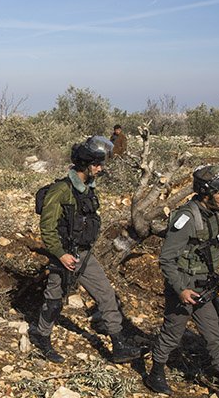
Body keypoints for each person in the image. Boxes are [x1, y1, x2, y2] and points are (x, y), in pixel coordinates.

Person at [145, 165, 219, 398]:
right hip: (184, 285)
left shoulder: (211, 214)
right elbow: (166, 259)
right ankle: (155, 373)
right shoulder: (187, 218)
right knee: (172, 333)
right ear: (207, 192)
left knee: (214, 336)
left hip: (204, 286)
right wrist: (181, 290)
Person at [30, 136, 141, 364]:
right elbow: (47, 228)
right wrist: (61, 254)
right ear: (86, 164)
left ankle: (119, 344)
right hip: (63, 254)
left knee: (106, 295)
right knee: (54, 299)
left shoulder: (88, 189)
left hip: (84, 254)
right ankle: (42, 338)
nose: (100, 169)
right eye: (97, 165)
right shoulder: (61, 190)